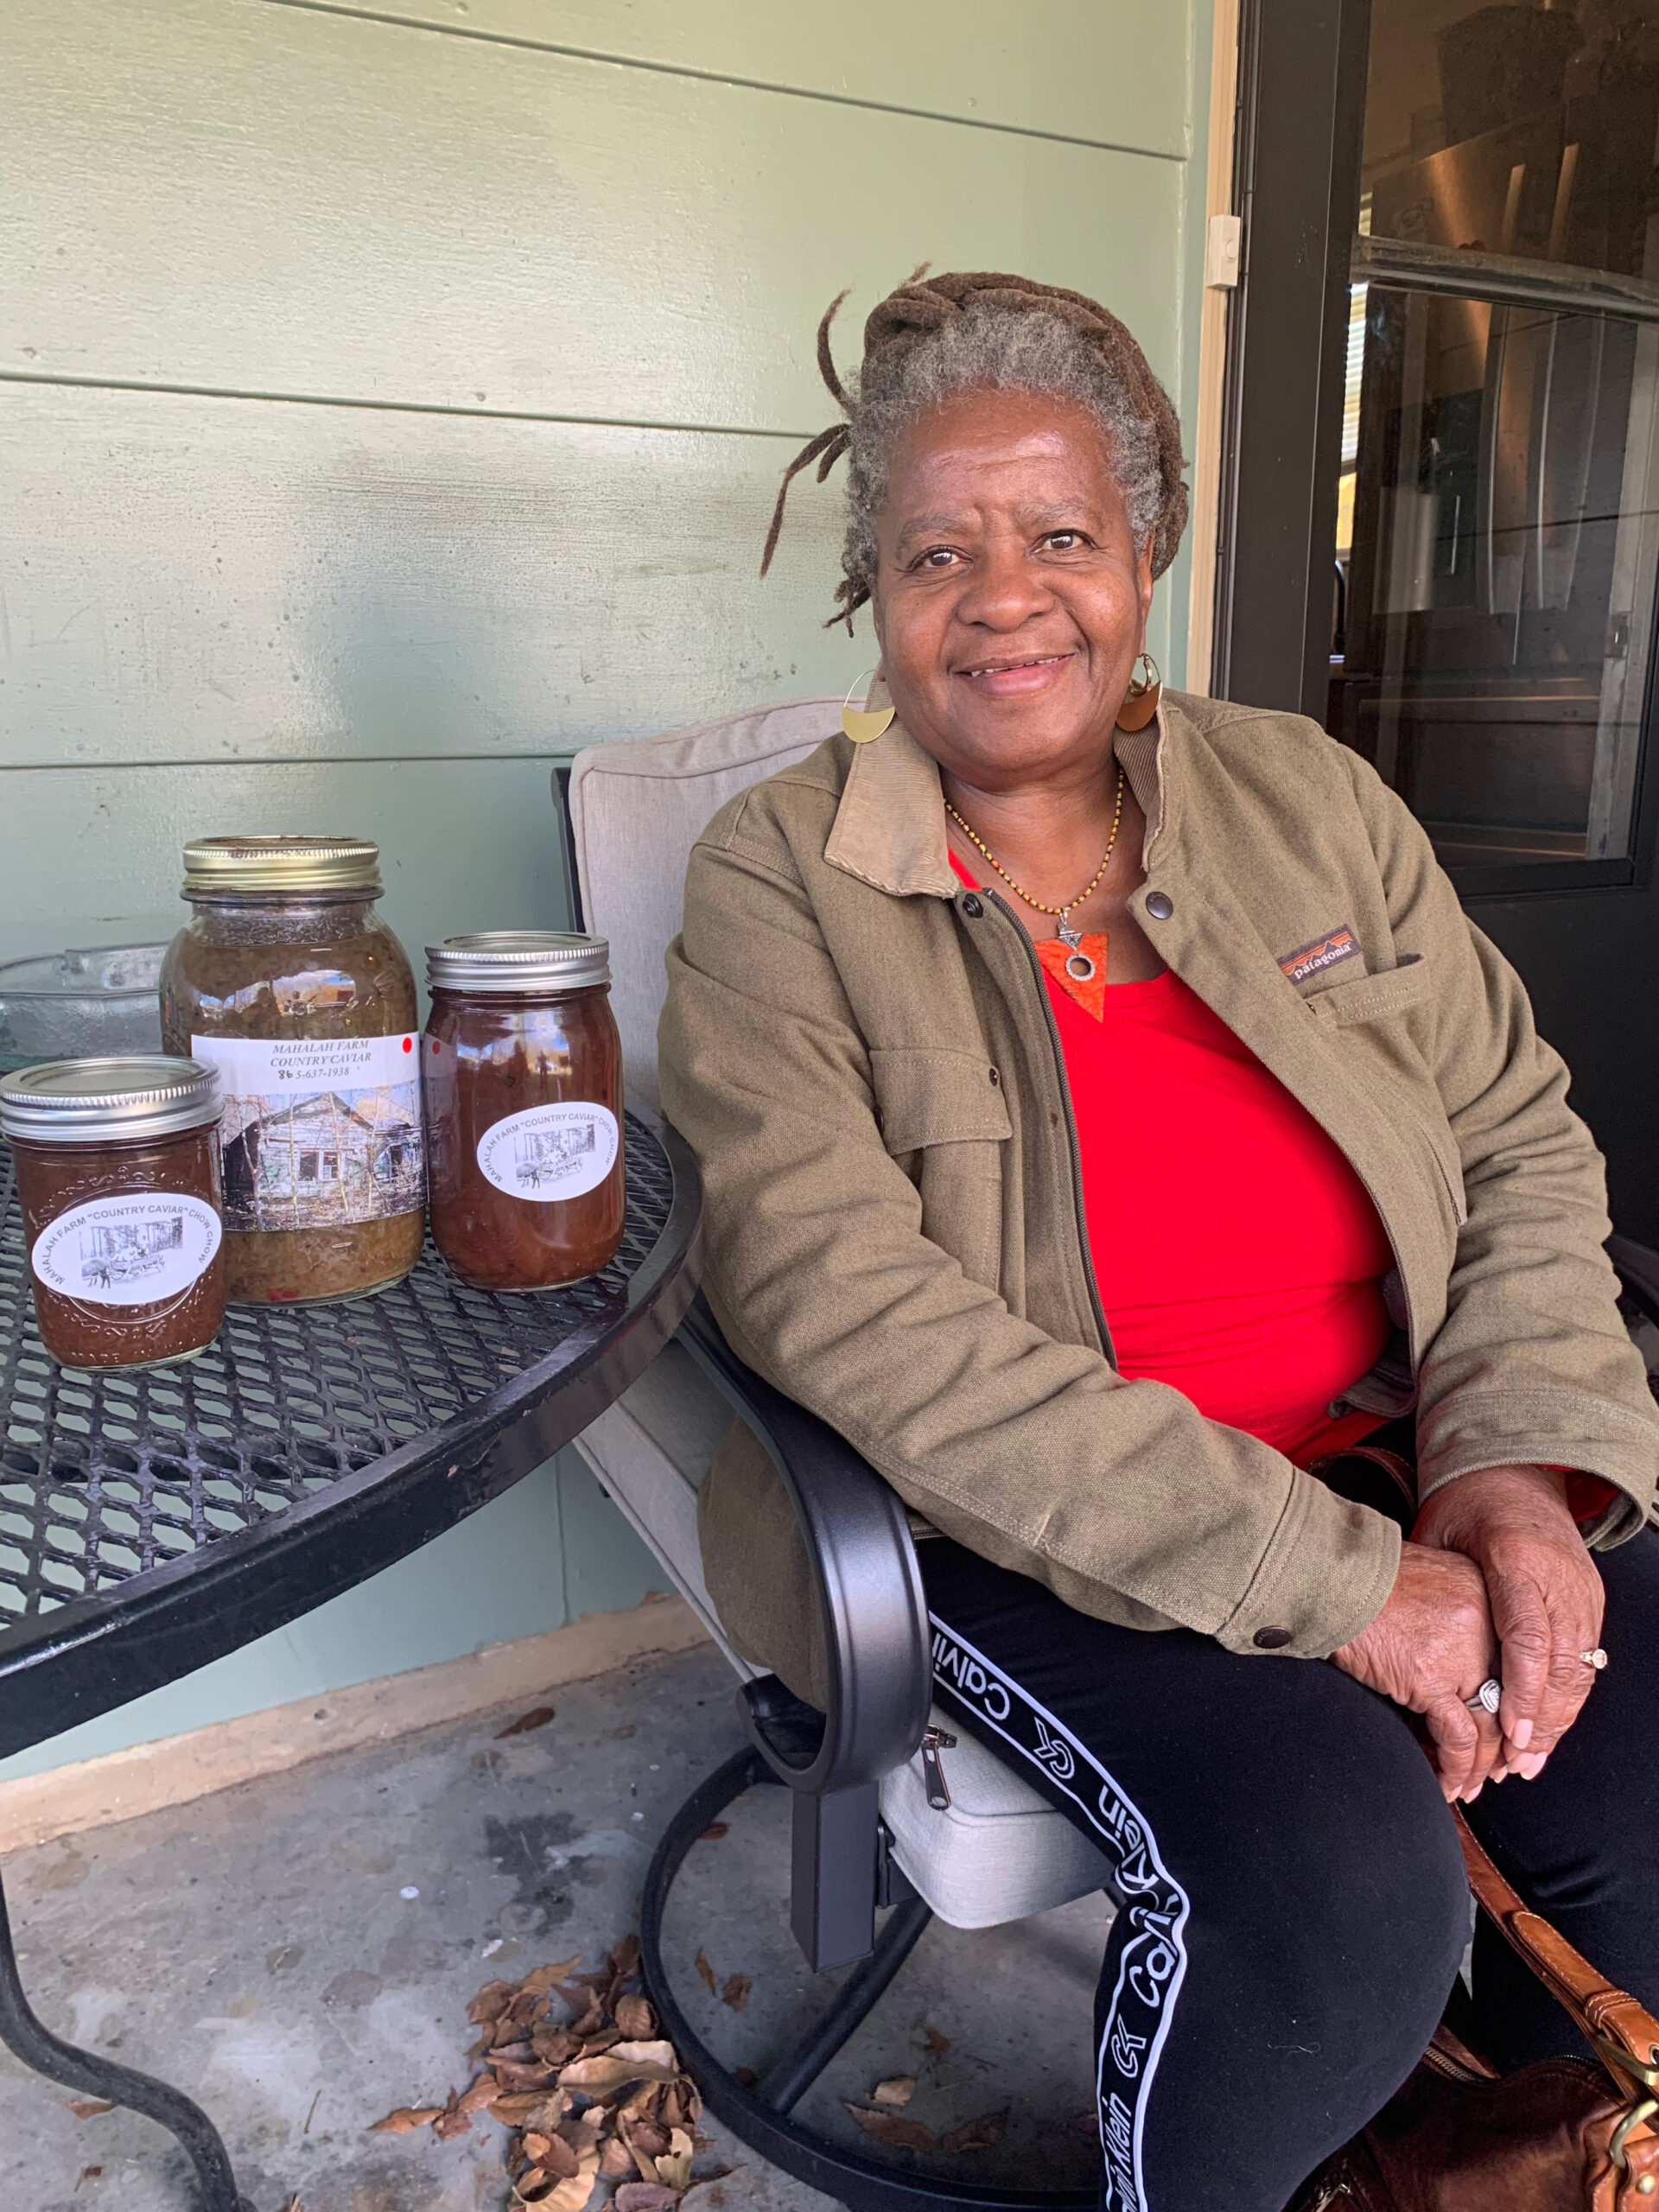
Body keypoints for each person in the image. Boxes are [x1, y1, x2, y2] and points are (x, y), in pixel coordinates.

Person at [657, 270, 1659, 2212]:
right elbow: (842, 1313)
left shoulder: (1310, 798)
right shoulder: (781, 878)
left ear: (1146, 556)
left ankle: (1489, 2151)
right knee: (1329, 1888)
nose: (1005, 593)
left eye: (1061, 536)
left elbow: (1518, 1133)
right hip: (1015, 1524)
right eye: (941, 548)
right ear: (875, 583)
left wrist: (1521, 1482)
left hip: (1387, 1435)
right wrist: (1337, 1577)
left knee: (1634, 1759)